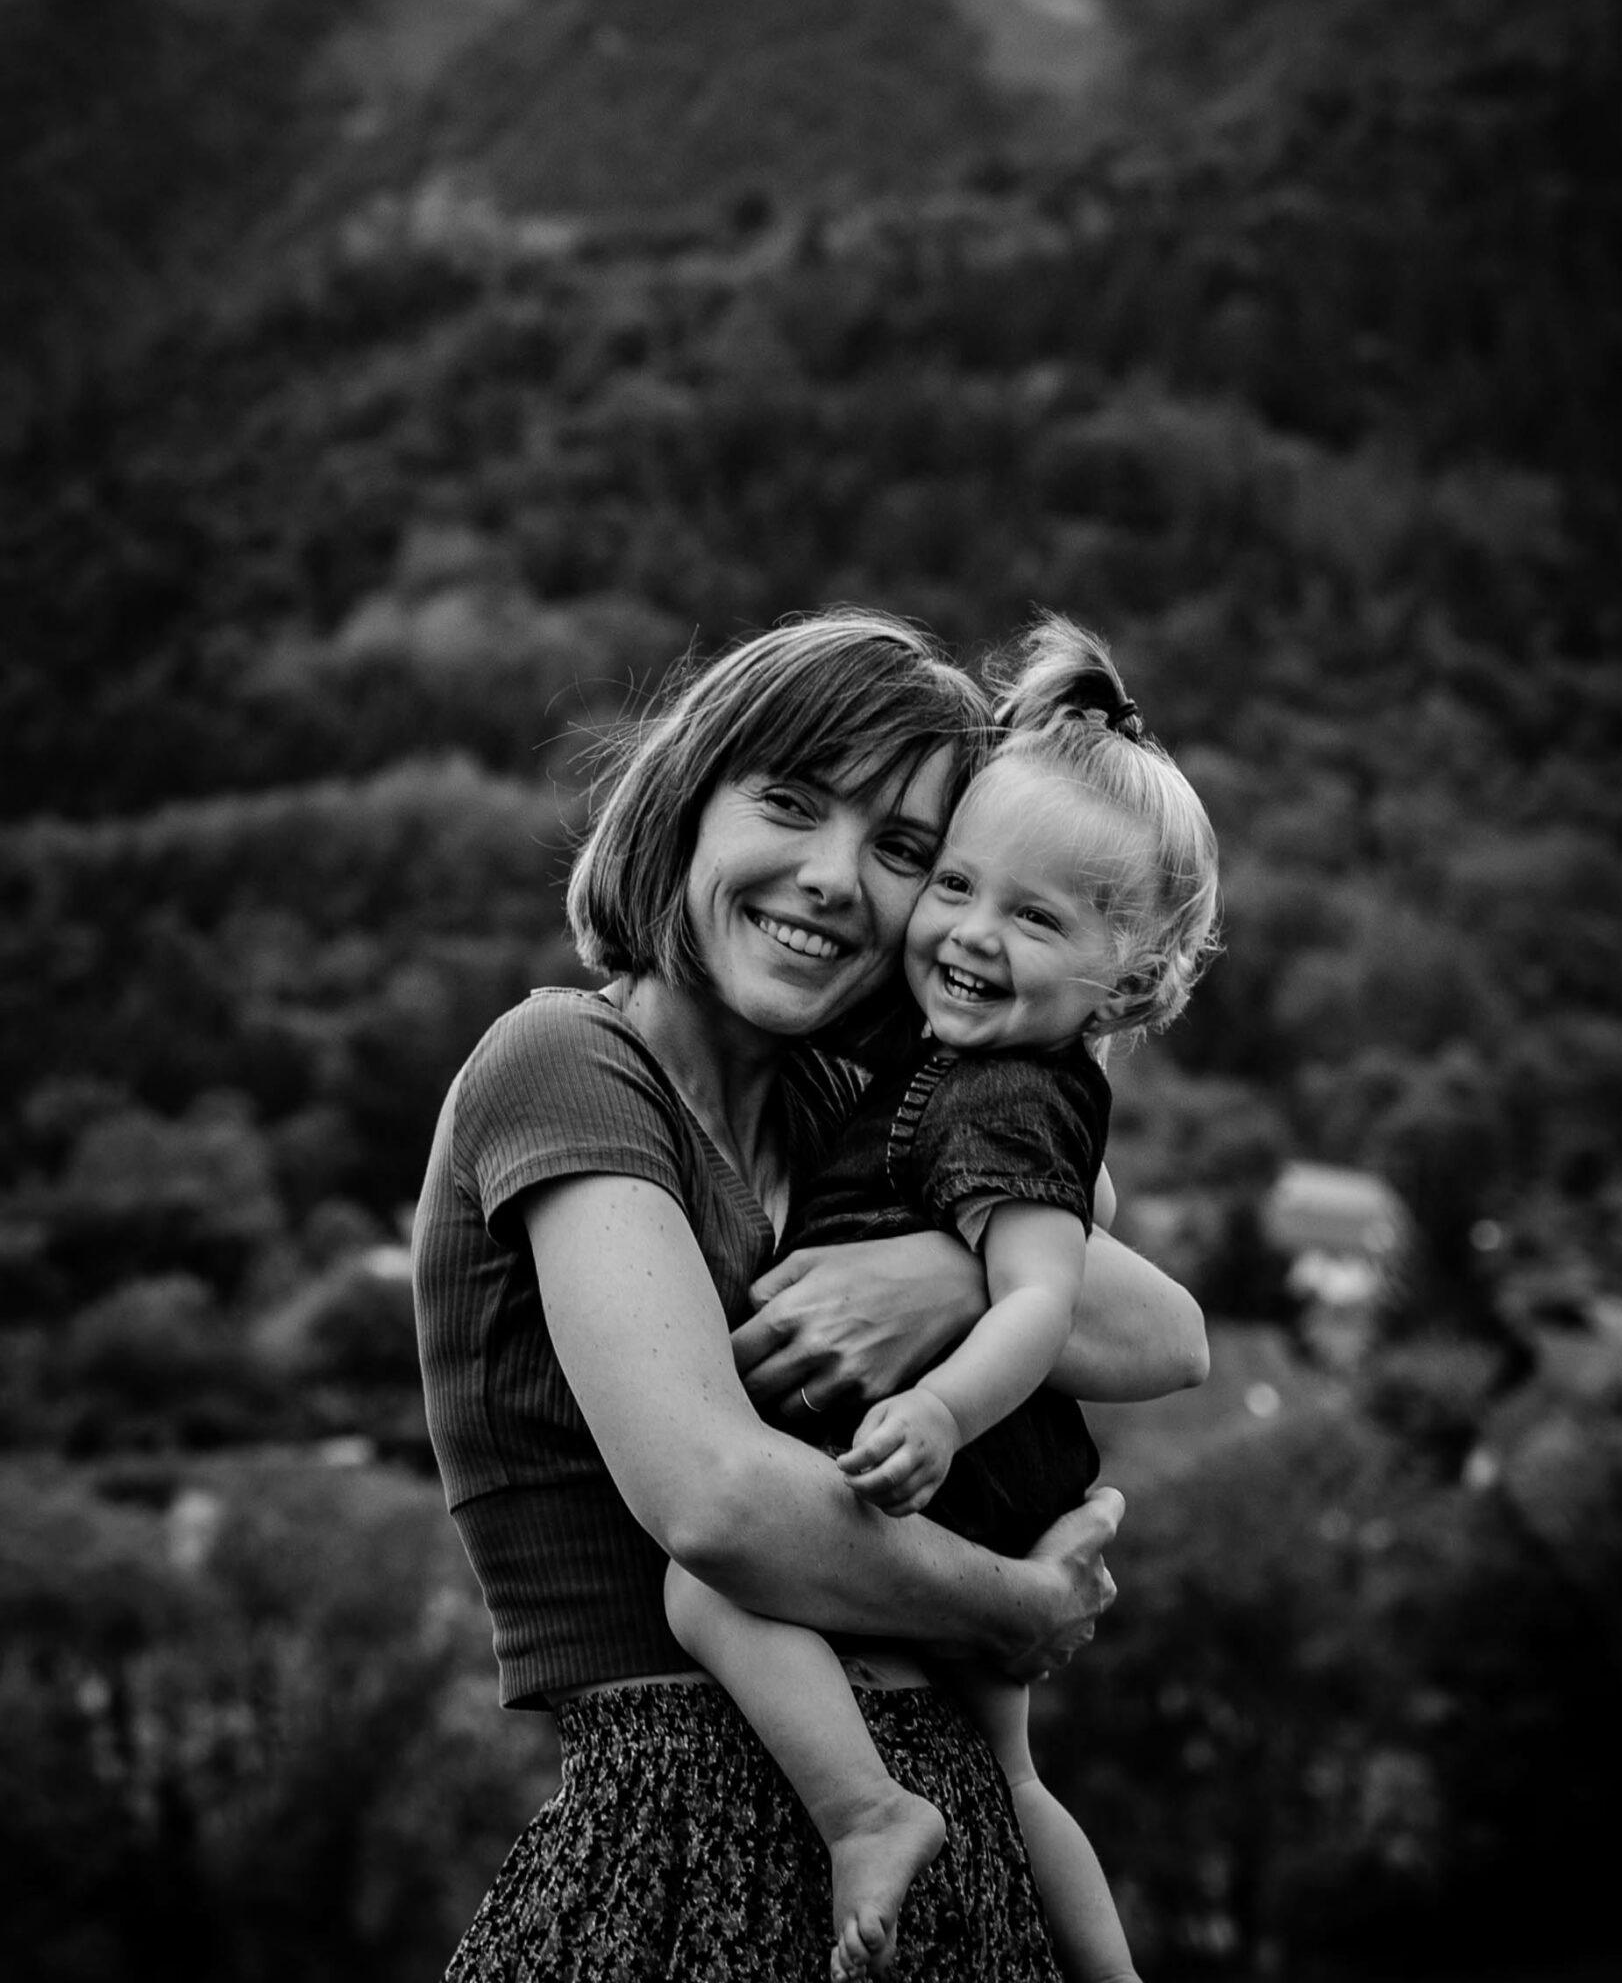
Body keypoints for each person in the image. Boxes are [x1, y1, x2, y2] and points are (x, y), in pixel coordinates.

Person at [413, 610, 1210, 1982]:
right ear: (686, 807)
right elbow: (716, 1506)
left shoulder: (855, 1115)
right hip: (688, 1832)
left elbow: (1169, 1334)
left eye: (903, 850)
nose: (836, 878)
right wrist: (1013, 1606)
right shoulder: (565, 1064)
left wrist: (943, 1274)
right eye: (789, 803)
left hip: (958, 1845)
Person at [666, 616, 1220, 1982]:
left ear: (1128, 976)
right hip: (986, 1462)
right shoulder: (964, 1060)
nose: (970, 933)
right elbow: (1079, 1219)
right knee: (1017, 1778)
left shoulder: (1005, 1092)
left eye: (1033, 917)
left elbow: (1045, 1298)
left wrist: (938, 1409)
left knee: (703, 1583)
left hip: (946, 1448)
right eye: (956, 884)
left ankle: (866, 1811)